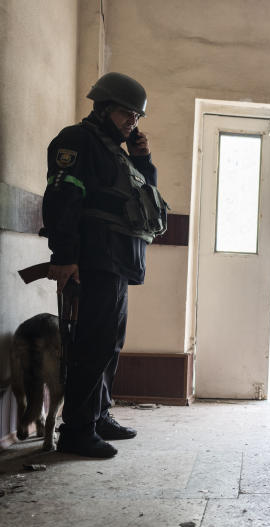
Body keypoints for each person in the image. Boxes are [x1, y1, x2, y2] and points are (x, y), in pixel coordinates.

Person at [42, 72, 168, 458]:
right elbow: (62, 199)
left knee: (110, 343)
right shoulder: (77, 141)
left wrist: (142, 159)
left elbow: (146, 197)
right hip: (94, 259)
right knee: (92, 345)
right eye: (127, 115)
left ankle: (98, 416)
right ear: (103, 108)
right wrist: (64, 257)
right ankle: (77, 431)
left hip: (116, 262)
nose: (132, 123)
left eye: (136, 118)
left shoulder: (117, 152)